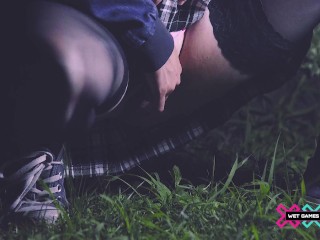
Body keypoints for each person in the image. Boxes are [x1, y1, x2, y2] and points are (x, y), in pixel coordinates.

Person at [1, 0, 319, 224]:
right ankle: (31, 153)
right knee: (62, 60)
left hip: (189, 31)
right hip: (85, 33)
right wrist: (146, 35)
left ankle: (315, 202)